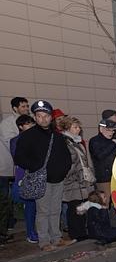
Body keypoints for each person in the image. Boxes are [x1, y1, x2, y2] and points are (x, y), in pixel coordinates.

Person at [14, 100, 74, 251]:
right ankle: (44, 241)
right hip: (41, 180)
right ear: (34, 117)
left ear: (50, 117)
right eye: (39, 116)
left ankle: (56, 238)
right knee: (43, 211)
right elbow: (19, 157)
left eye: (45, 115)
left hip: (58, 179)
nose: (43, 119)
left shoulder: (57, 135)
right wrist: (36, 168)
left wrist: (63, 171)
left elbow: (66, 156)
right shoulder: (28, 136)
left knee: (56, 210)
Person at [60, 117, 95, 241]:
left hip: (81, 179)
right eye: (75, 127)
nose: (78, 129)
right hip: (72, 180)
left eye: (78, 127)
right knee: (74, 207)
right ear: (67, 128)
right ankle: (75, 233)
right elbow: (67, 162)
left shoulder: (76, 142)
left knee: (81, 206)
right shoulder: (65, 142)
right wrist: (73, 174)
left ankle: (81, 232)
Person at [0, 97, 30, 241]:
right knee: (4, 198)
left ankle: (10, 222)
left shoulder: (29, 121)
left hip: (22, 166)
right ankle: (5, 227)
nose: (26, 108)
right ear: (14, 108)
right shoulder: (7, 123)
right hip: (6, 166)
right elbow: (10, 143)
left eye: (27, 106)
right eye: (23, 106)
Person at [10, 115, 38, 243]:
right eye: (28, 124)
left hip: (39, 175)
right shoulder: (16, 140)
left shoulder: (39, 137)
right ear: (21, 126)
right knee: (30, 205)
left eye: (32, 123)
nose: (31, 125)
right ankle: (31, 232)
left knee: (42, 206)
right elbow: (19, 158)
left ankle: (41, 231)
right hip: (25, 176)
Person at [89, 119, 116, 205]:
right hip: (104, 178)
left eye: (113, 130)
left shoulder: (114, 141)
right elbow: (99, 156)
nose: (111, 132)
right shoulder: (95, 141)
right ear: (101, 129)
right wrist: (112, 144)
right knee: (104, 202)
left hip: (115, 177)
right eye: (108, 130)